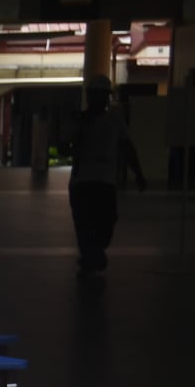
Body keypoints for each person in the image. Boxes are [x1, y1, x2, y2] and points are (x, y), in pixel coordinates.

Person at [69, 73, 146, 274]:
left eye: (102, 95)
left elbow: (127, 148)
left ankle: (92, 254)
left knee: (106, 221)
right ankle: (91, 256)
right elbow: (66, 147)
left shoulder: (114, 120)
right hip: (83, 181)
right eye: (96, 94)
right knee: (85, 223)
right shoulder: (80, 120)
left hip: (103, 181)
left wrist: (138, 173)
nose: (98, 99)